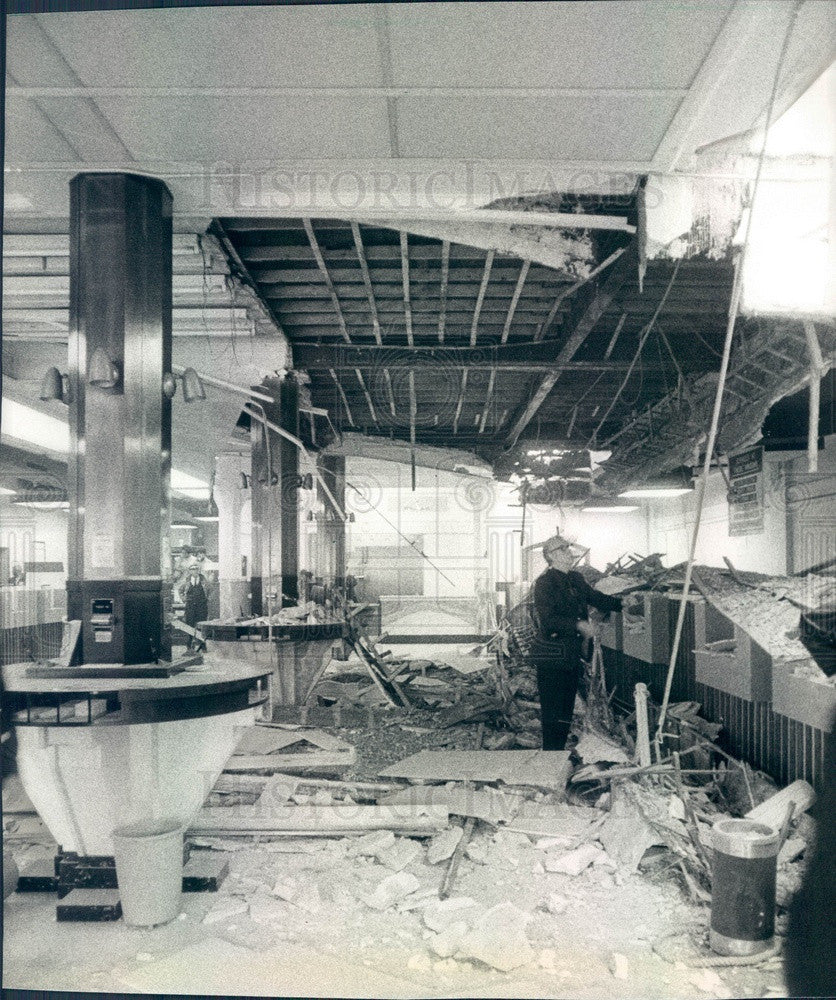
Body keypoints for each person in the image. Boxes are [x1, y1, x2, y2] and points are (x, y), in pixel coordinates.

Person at [530, 534, 622, 750]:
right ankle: (551, 753)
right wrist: (578, 625)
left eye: (568, 548)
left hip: (571, 653)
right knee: (553, 709)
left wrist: (623, 603)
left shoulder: (576, 579)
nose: (568, 552)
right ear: (550, 557)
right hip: (551, 655)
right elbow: (548, 620)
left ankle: (558, 751)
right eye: (562, 549)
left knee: (566, 706)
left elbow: (596, 597)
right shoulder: (544, 583)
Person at [183, 566, 209, 649]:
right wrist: (184, 599)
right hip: (190, 606)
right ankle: (189, 645)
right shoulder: (187, 581)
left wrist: (207, 599)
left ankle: (202, 644)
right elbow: (180, 590)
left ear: (199, 570)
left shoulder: (204, 580)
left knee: (202, 625)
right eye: (192, 569)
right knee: (189, 625)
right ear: (190, 571)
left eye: (196, 569)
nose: (194, 571)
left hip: (201, 606)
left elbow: (211, 590)